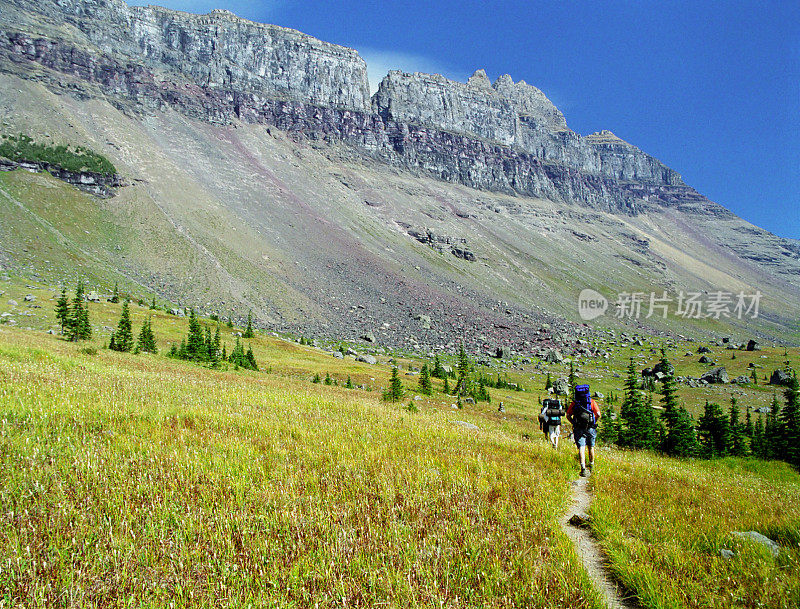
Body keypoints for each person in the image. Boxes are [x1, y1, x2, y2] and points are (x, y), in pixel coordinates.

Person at [567, 384, 601, 477]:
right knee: (591, 447)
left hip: (578, 428)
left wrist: (573, 423)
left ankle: (583, 469)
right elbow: (598, 414)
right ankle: (591, 466)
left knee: (581, 448)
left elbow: (568, 415)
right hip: (590, 428)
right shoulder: (591, 401)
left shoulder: (575, 403)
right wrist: (594, 422)